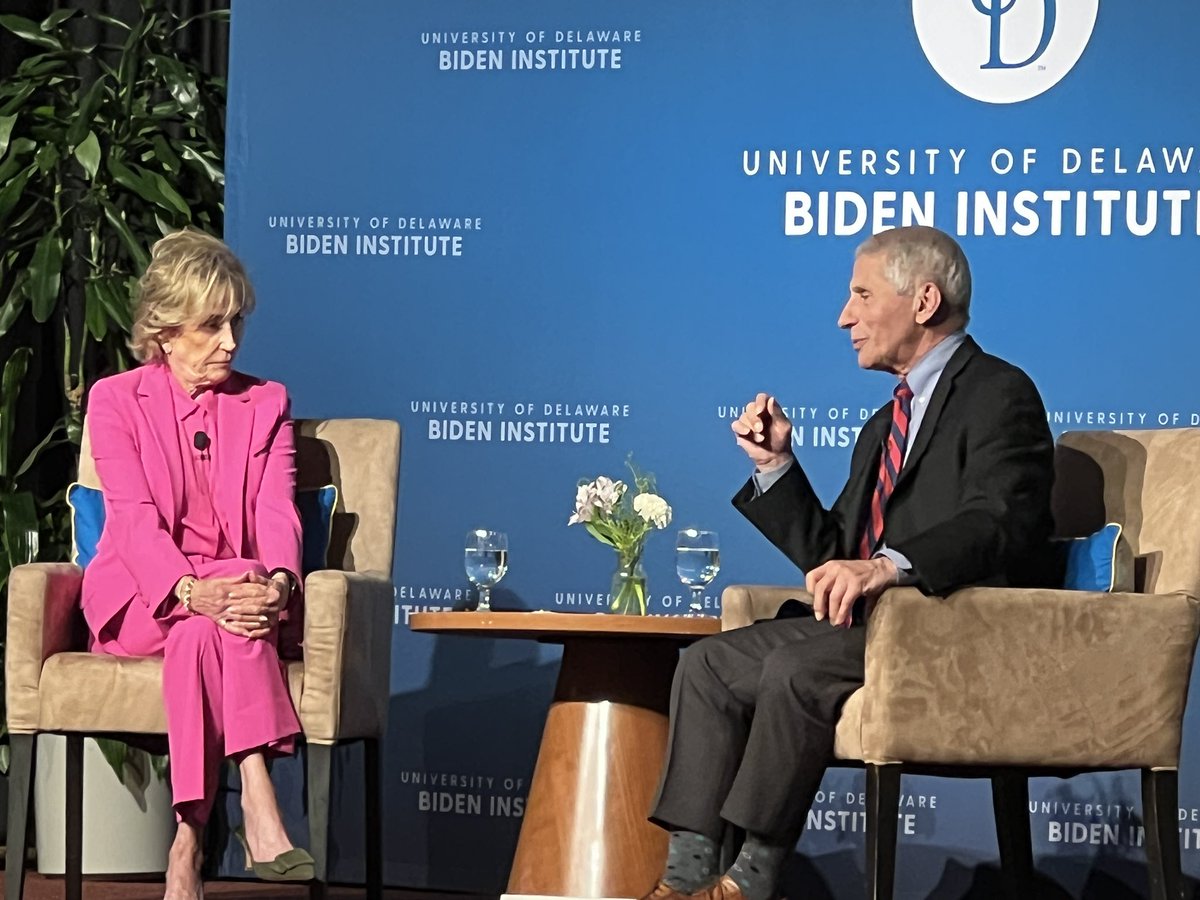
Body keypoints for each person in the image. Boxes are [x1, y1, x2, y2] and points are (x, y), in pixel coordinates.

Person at [642, 226, 1057, 900]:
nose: (844, 317)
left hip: (948, 631)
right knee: (707, 665)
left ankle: (748, 881)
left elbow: (1002, 519)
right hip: (866, 630)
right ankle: (685, 880)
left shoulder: (999, 394)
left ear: (923, 301)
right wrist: (777, 467)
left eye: (862, 295)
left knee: (793, 669)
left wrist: (890, 566)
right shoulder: (883, 426)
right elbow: (835, 557)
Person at [82, 230, 314, 900]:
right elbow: (133, 521)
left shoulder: (266, 402)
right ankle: (258, 798)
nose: (230, 342)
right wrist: (189, 588)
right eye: (211, 325)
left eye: (235, 322)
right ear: (164, 329)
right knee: (213, 609)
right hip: (145, 597)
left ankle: (186, 840)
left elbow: (276, 511)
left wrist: (278, 582)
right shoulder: (115, 400)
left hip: (230, 600)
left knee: (205, 631)